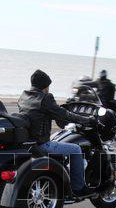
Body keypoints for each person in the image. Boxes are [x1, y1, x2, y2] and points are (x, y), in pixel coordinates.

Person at [18, 69, 97, 197]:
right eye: (48, 86)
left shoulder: (24, 96)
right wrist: (87, 120)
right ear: (44, 86)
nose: (48, 88)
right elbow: (64, 114)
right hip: (42, 144)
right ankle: (78, 188)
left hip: (28, 142)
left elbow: (40, 114)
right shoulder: (45, 98)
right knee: (76, 149)